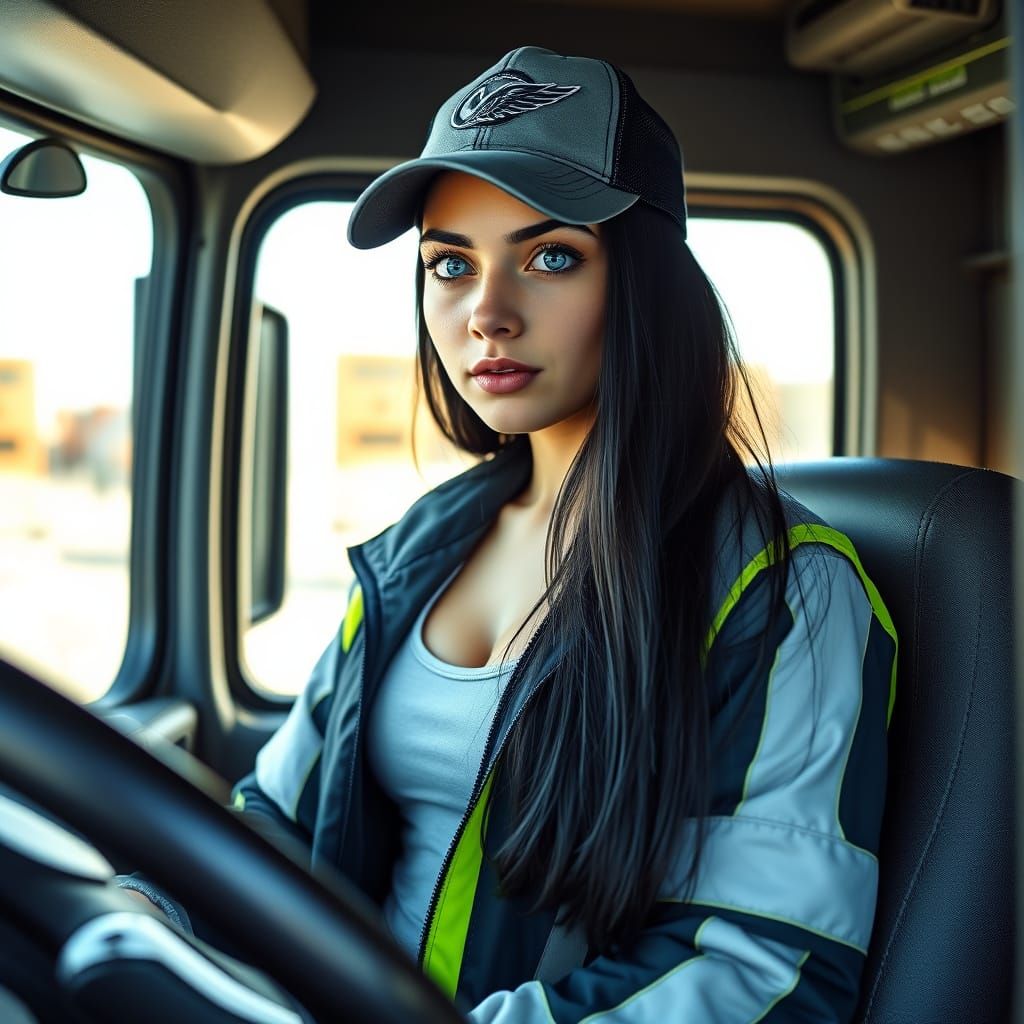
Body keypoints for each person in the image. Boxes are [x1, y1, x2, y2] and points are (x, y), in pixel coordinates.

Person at [178, 46, 898, 1022]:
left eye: (550, 256)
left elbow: (763, 967)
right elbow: (278, 812)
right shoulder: (414, 551)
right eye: (448, 264)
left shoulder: (780, 587)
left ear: (644, 282)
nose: (486, 314)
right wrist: (154, 914)